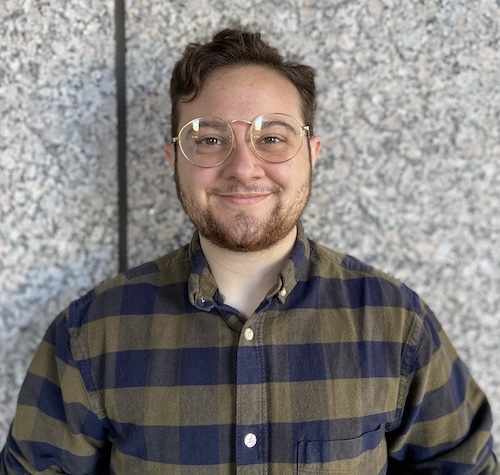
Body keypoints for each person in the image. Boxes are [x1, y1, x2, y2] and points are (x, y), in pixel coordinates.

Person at [1, 28, 498, 475]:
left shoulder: (396, 324)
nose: (244, 167)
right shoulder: (91, 334)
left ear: (312, 154)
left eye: (273, 138)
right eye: (211, 138)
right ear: (174, 159)